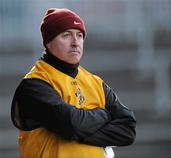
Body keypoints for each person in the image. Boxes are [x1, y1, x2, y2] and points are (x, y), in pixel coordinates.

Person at [11, 8, 136, 158]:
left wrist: (77, 133)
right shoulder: (34, 85)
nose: (75, 42)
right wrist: (104, 114)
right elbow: (70, 124)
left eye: (79, 35)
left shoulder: (96, 82)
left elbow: (128, 130)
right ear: (48, 42)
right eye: (66, 35)